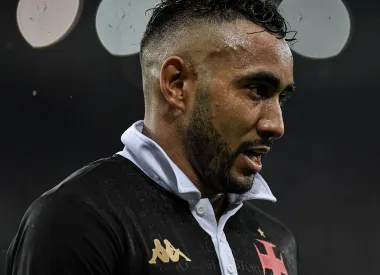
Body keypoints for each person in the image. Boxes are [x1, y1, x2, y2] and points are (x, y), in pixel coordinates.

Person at [6, 0, 298, 274]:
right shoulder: (79, 221)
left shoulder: (277, 241)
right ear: (176, 84)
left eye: (281, 98)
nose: (276, 125)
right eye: (257, 90)